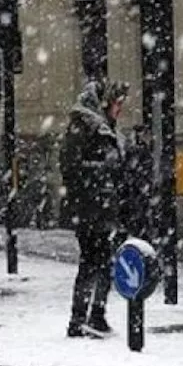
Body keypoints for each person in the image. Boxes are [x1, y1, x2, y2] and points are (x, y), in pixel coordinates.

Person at [60, 80, 124, 338]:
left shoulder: (102, 128)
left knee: (102, 262)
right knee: (92, 262)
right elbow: (71, 168)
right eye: (117, 104)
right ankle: (81, 318)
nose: (120, 110)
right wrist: (102, 176)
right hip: (91, 209)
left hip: (101, 207)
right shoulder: (85, 129)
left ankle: (94, 315)